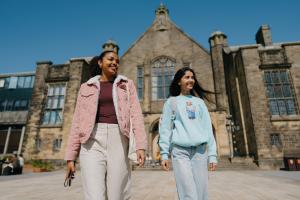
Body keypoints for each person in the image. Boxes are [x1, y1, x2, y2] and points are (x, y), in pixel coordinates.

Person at [65, 40, 147, 200]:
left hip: (119, 139)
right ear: (100, 62)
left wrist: (141, 146)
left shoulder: (127, 84)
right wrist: (71, 156)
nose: (115, 63)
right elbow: (77, 121)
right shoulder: (86, 87)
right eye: (111, 59)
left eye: (117, 61)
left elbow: (136, 115)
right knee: (94, 194)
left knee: (117, 193)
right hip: (91, 141)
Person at [159, 67, 217, 200]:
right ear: (179, 81)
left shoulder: (200, 103)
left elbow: (208, 129)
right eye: (187, 77)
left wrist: (212, 155)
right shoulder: (171, 102)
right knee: (188, 193)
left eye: (192, 77)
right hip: (180, 152)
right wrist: (164, 154)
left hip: (200, 152)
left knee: (201, 193)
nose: (191, 80)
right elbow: (165, 129)